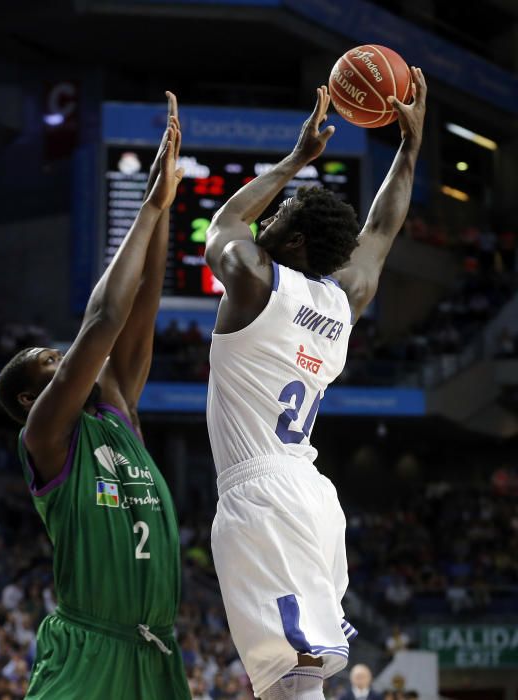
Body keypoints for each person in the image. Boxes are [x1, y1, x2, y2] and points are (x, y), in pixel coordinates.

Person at [205, 71, 426, 700]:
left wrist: (296, 159)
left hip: (262, 495)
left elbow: (224, 224)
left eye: (280, 217)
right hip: (312, 493)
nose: (267, 221)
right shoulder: (342, 299)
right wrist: (409, 150)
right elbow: (381, 232)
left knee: (293, 680)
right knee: (294, 678)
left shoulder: (254, 281)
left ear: (294, 238)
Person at [0, 94, 191, 699]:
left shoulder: (117, 415)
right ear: (34, 400)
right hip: (87, 652)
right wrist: (147, 204)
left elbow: (137, 316)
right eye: (51, 364)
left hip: (155, 650)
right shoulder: (46, 438)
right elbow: (105, 318)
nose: (66, 360)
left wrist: (163, 213)